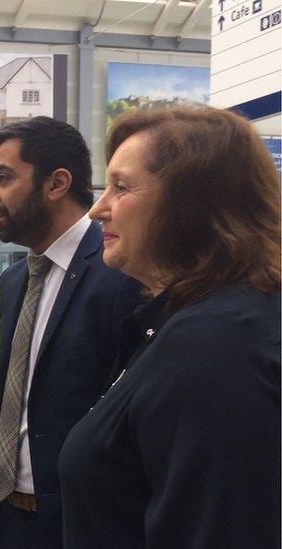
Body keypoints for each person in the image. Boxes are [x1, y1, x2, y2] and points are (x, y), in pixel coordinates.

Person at [59, 105, 281, 548]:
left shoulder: (215, 344)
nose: (97, 209)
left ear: (192, 204)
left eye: (121, 188)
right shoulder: (200, 320)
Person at [0, 117, 143, 549]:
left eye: (3, 178)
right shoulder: (12, 283)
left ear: (57, 184)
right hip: (4, 516)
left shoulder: (121, 276)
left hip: (79, 525)